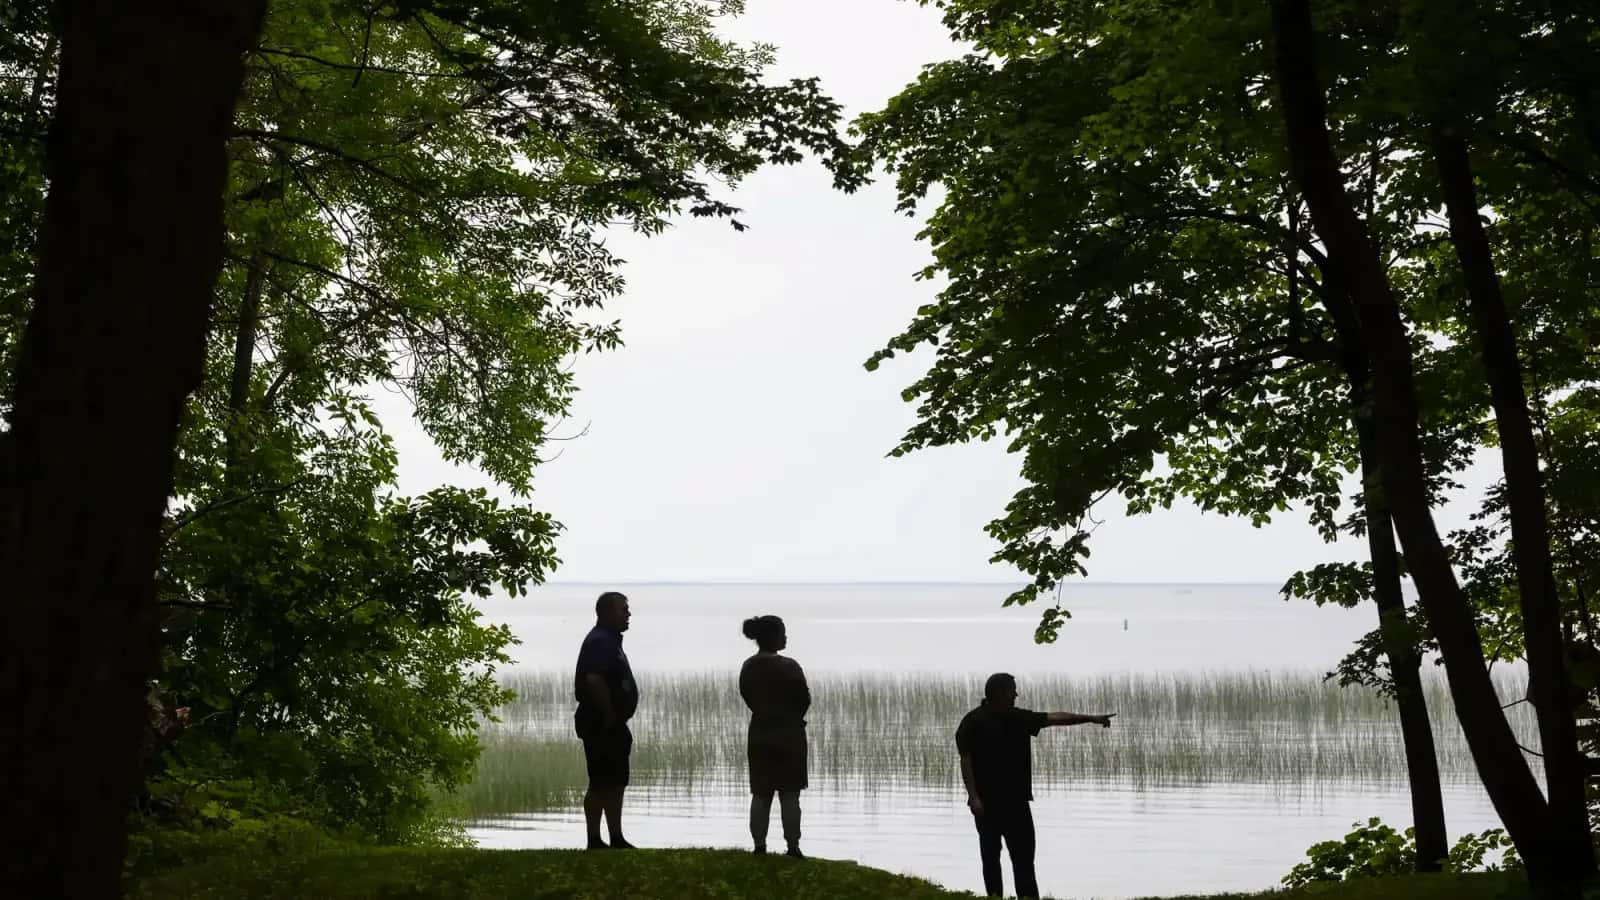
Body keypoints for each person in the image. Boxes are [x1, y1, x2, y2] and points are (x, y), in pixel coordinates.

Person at [956, 672, 1114, 898]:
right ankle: (994, 897)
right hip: (986, 804)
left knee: (1024, 862)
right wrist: (973, 796)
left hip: (1017, 804)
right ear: (999, 693)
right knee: (990, 859)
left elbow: (1055, 718)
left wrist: (1090, 718)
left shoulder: (1019, 718)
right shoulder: (972, 722)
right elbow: (966, 759)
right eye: (1012, 690)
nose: (1016, 694)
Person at [738, 614, 810, 858]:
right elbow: (804, 700)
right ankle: (793, 847)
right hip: (789, 735)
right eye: (783, 632)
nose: (786, 637)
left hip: (759, 733)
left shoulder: (748, 666)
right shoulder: (789, 666)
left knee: (761, 793)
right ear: (775, 637)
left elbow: (747, 695)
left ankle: (759, 846)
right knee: (790, 794)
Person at [574, 591, 639, 849]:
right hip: (601, 722)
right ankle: (594, 839)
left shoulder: (609, 640)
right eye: (623, 609)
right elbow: (593, 679)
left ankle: (615, 837)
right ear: (606, 613)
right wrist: (609, 715)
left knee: (614, 781)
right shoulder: (600, 641)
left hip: (610, 723)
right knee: (601, 781)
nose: (628, 614)